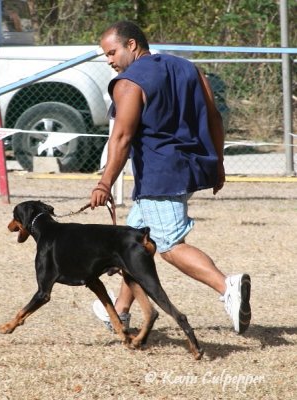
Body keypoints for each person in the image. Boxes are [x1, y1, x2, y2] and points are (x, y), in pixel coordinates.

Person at [90, 21, 251, 334]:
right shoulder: (189, 69)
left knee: (169, 245)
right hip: (189, 167)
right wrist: (218, 162)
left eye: (112, 52)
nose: (109, 60)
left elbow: (121, 137)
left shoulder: (129, 83)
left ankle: (227, 287)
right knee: (135, 244)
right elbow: (214, 116)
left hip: (159, 174)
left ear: (132, 45)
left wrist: (104, 183)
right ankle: (121, 311)